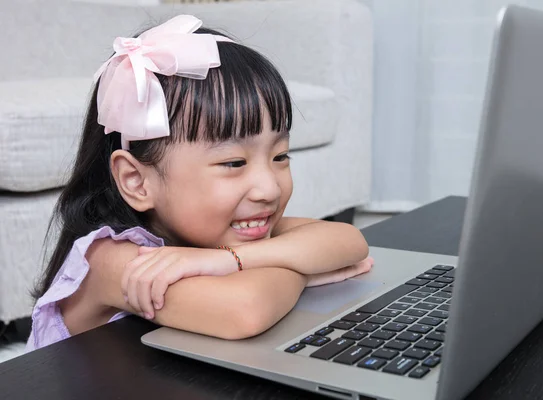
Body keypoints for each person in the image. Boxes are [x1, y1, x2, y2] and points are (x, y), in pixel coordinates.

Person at [26, 15, 373, 351]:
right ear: (136, 181)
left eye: (280, 156)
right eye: (234, 162)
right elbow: (246, 310)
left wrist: (227, 260)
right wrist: (303, 272)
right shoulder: (109, 260)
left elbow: (348, 241)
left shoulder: (214, 233)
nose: (269, 189)